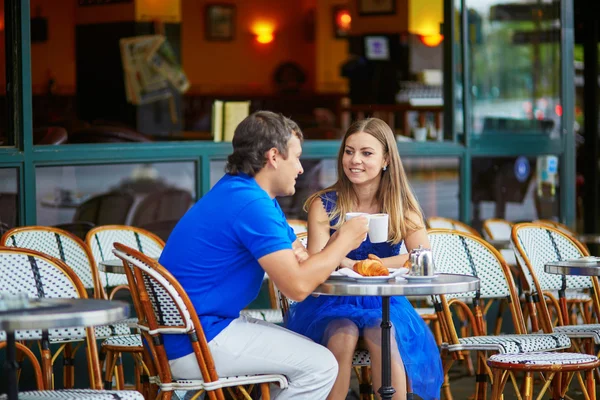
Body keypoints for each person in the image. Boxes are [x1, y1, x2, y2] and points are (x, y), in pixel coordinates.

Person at [158, 110, 369, 399]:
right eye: (295, 157)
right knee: (320, 366)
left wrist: (321, 257)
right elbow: (297, 287)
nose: (300, 168)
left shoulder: (244, 193)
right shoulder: (251, 204)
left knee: (306, 357)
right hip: (197, 340)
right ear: (273, 157)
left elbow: (300, 257)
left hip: (194, 331)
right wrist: (343, 239)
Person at [286, 118, 443, 400]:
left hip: (385, 300)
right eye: (349, 151)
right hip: (330, 300)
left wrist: (374, 266)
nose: (354, 160)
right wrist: (350, 264)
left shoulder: (400, 207)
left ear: (385, 160)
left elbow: (422, 256)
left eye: (366, 153)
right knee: (343, 335)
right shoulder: (324, 204)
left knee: (381, 331)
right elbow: (316, 260)